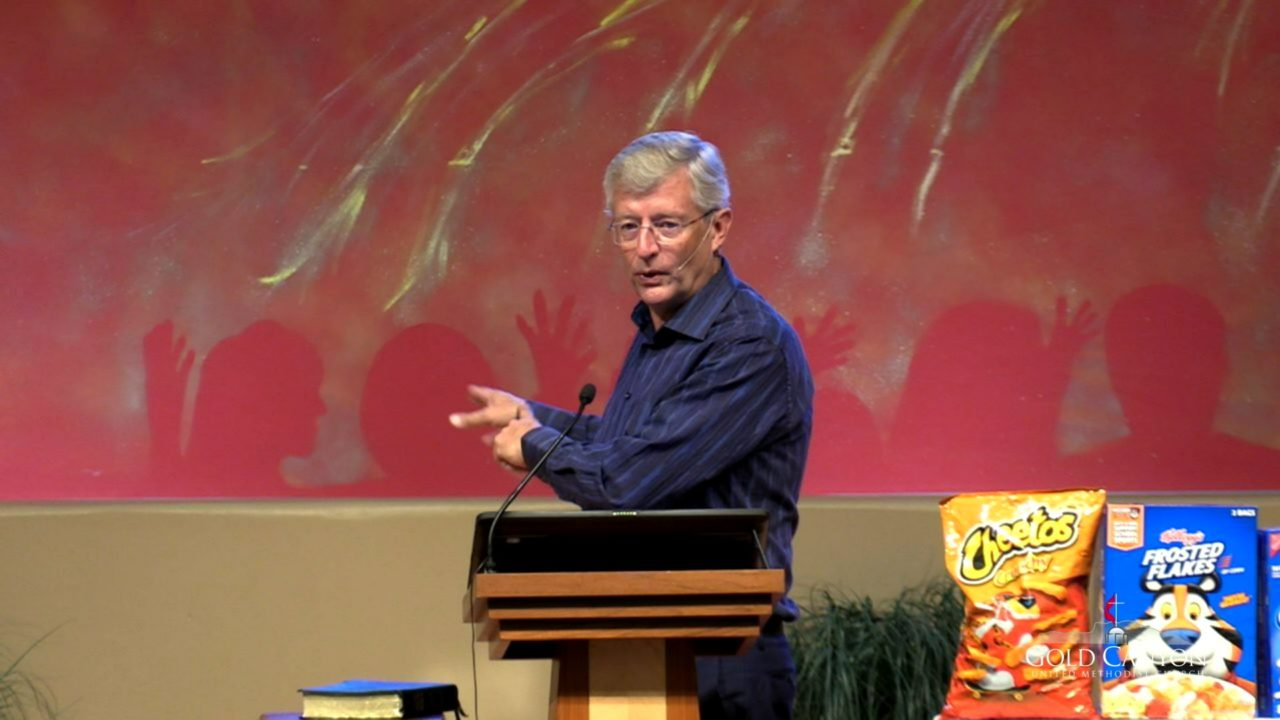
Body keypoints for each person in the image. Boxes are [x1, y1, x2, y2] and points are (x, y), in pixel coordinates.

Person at [450, 131, 813, 719]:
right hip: (634, 644)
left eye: (666, 225)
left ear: (718, 227)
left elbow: (628, 481)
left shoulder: (748, 344)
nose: (645, 248)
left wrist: (536, 444)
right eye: (627, 227)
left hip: (722, 656)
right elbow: (634, 447)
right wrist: (536, 419)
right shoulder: (657, 332)